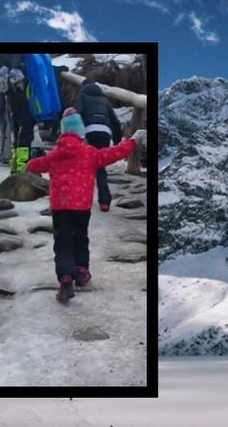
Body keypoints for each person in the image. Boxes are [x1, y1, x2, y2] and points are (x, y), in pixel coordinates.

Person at [25, 108, 145, 303]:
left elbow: (35, 165)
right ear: (81, 131)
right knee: (81, 239)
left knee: (63, 243)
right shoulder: (89, 153)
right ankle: (81, 271)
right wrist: (132, 141)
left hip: (60, 206)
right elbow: (113, 153)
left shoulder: (55, 155)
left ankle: (65, 278)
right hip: (82, 206)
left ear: (63, 131)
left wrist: (30, 163)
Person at [74, 79, 123, 212]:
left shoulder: (82, 96)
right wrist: (117, 143)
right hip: (105, 133)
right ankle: (105, 201)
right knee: (100, 167)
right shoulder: (104, 100)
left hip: (89, 132)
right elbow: (115, 122)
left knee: (83, 165)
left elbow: (76, 113)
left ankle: (80, 198)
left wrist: (76, 135)